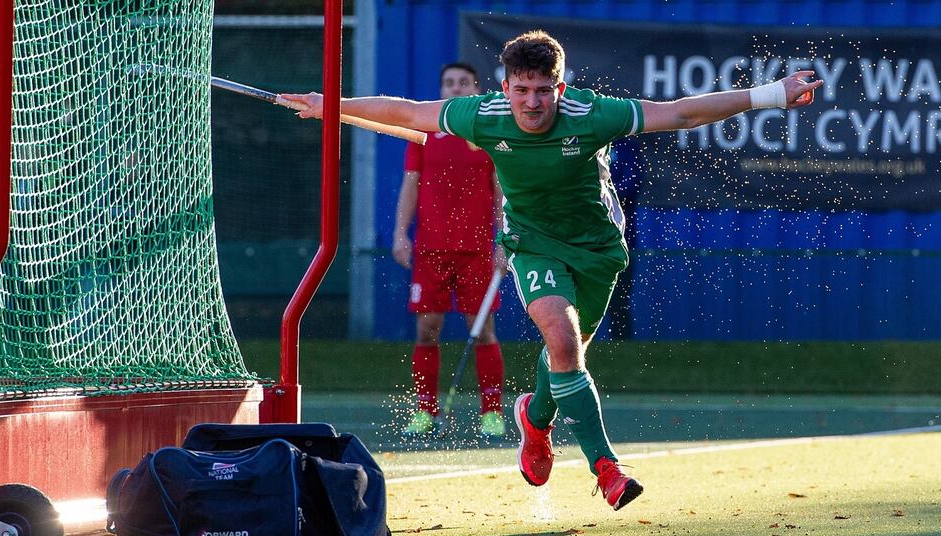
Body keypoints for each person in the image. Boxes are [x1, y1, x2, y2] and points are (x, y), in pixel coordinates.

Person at [280, 30, 821, 511]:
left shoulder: (592, 115)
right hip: (534, 246)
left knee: (567, 354)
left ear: (561, 88)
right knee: (560, 340)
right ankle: (606, 469)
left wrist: (772, 94)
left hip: (598, 251)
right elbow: (404, 112)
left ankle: (533, 421)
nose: (533, 102)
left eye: (544, 90)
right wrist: (329, 104)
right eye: (522, 89)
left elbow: (679, 112)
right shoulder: (480, 115)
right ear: (506, 86)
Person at [391, 62, 507, 438]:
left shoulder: (486, 133)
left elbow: (501, 190)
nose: (455, 89)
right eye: (448, 83)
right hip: (430, 249)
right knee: (427, 330)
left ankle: (492, 412)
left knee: (483, 329)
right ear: (440, 90)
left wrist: (504, 241)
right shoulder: (423, 131)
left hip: (476, 250)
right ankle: (425, 410)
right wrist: (400, 234)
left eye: (462, 84)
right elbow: (411, 183)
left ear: (474, 90)